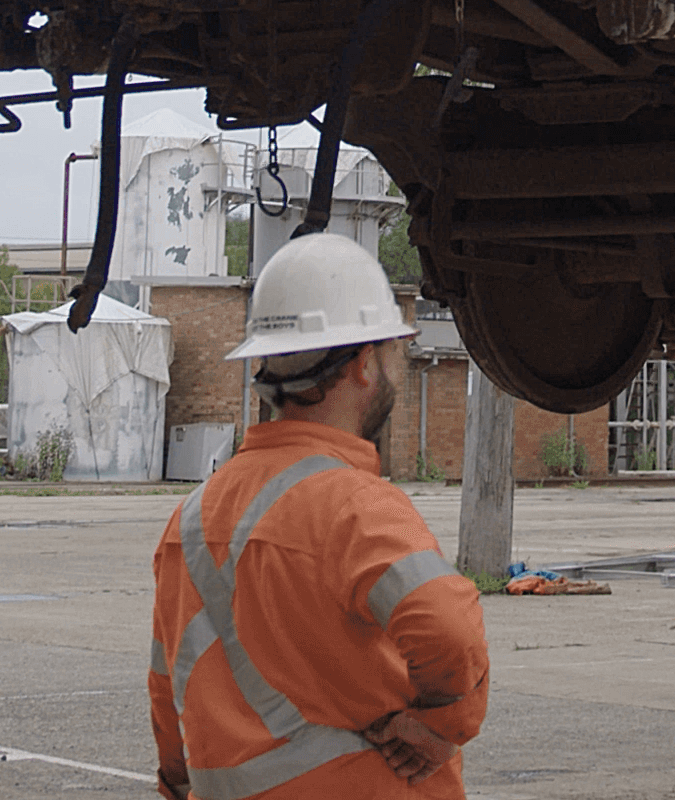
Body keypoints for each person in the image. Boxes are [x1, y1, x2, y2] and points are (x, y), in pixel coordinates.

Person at [150, 233, 490, 796]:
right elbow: (448, 631)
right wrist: (439, 726)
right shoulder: (357, 506)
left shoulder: (190, 518)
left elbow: (169, 682)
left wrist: (178, 783)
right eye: (392, 351)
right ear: (363, 364)